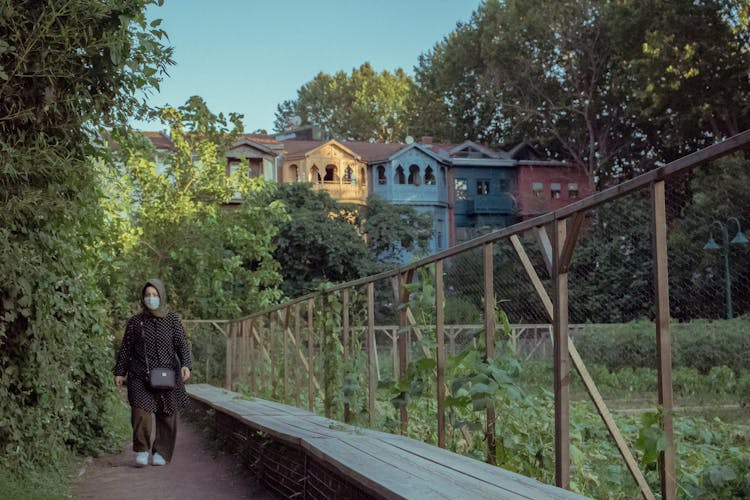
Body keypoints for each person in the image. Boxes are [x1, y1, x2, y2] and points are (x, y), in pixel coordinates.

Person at [114, 279, 192, 467]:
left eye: (155, 295)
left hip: (168, 374)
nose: (151, 298)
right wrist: (119, 371)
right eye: (148, 295)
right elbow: (126, 348)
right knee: (140, 412)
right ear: (143, 297)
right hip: (140, 375)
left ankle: (162, 452)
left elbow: (182, 344)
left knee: (167, 413)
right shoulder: (135, 322)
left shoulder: (172, 320)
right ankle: (141, 450)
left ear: (161, 296)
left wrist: (186, 365)